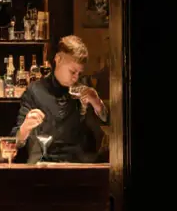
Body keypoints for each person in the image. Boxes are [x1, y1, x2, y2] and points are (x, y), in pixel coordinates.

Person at [15, 35, 108, 163]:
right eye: (72, 71)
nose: (76, 78)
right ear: (58, 59)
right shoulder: (35, 91)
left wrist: (98, 104)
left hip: (77, 163)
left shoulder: (85, 90)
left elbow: (107, 126)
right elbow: (17, 141)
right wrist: (26, 127)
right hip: (43, 163)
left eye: (79, 73)